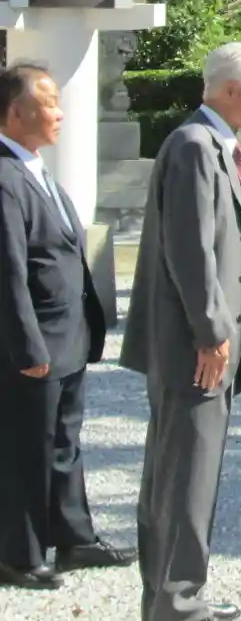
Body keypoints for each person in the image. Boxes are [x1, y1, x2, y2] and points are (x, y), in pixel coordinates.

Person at [122, 42, 241, 621]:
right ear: (232, 89)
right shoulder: (194, 145)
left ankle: (175, 593)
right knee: (184, 476)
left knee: (184, 471)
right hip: (194, 346)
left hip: (199, 342)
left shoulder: (212, 143)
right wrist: (211, 332)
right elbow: (191, 250)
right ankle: (178, 602)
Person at [0, 64, 133, 590]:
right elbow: (9, 272)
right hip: (35, 341)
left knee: (64, 441)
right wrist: (26, 345)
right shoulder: (5, 177)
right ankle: (18, 552)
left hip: (67, 335)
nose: (60, 112)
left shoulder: (34, 169)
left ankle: (73, 537)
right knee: (26, 448)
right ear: (16, 113)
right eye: (49, 102)